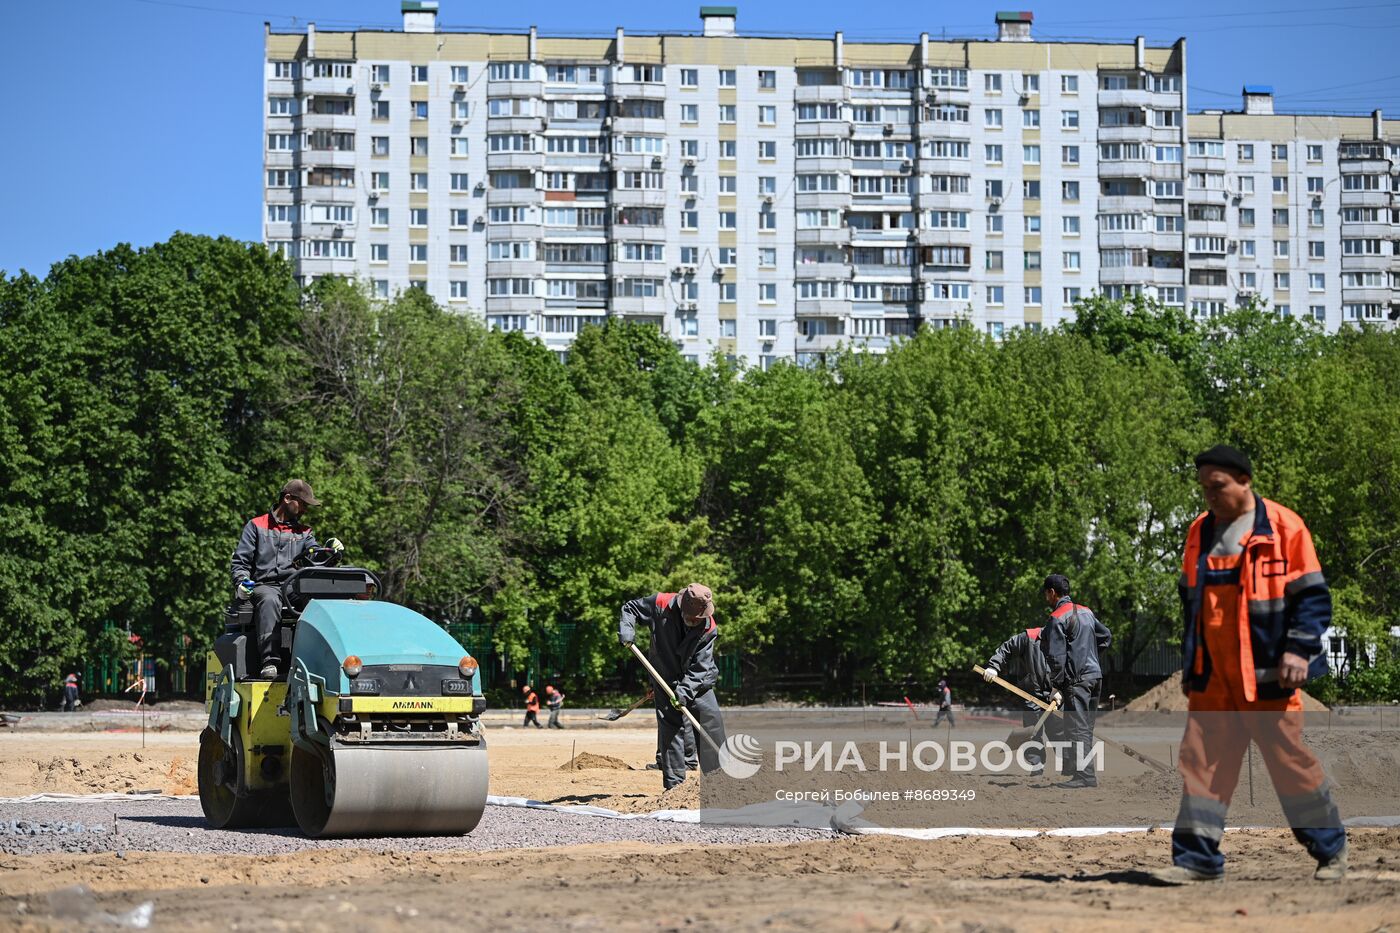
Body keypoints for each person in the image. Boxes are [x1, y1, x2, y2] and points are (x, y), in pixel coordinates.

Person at [1154, 445, 1346, 884]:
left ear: (1244, 480)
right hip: (1213, 680)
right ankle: (1196, 861)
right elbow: (1193, 608)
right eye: (1204, 488)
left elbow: (1312, 599)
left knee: (1289, 765)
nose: (1210, 496)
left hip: (1267, 677)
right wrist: (1192, 666)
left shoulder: (1284, 528)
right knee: (1201, 766)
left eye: (1217, 487)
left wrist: (1298, 651)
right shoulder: (1199, 533)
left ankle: (1331, 850)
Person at [618, 583, 726, 790]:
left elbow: (700, 667)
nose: (697, 621)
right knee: (671, 731)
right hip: (665, 678)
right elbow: (630, 608)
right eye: (694, 616)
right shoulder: (660, 604)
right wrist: (627, 630)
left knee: (710, 726)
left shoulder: (708, 627)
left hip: (699, 683)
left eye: (700, 617)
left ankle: (719, 783)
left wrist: (684, 692)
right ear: (682, 607)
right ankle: (675, 788)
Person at [230, 479, 340, 679]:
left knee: (317, 602)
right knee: (270, 599)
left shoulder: (304, 533)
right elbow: (240, 563)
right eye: (303, 504)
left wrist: (330, 552)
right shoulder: (256, 526)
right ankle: (270, 662)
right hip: (264, 586)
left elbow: (315, 558)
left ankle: (317, 660)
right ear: (287, 498)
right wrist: (241, 582)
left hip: (292, 588)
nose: (305, 509)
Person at [1039, 573, 1112, 788]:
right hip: (1095, 677)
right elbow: (1106, 636)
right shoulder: (1087, 612)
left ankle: (1086, 777)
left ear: (1052, 593)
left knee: (1075, 727)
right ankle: (1082, 774)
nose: (1046, 599)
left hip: (1077, 681)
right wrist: (1091, 657)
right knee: (1085, 727)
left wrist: (1058, 685)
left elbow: (1056, 657)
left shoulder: (1056, 617)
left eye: (1046, 594)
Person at [983, 627, 1056, 774]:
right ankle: (1036, 766)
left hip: (1055, 694)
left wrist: (1061, 690)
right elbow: (1007, 648)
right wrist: (994, 666)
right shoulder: (1029, 637)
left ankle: (1071, 767)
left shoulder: (1066, 641)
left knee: (1059, 732)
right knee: (1032, 732)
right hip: (1031, 693)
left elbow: (1074, 665)